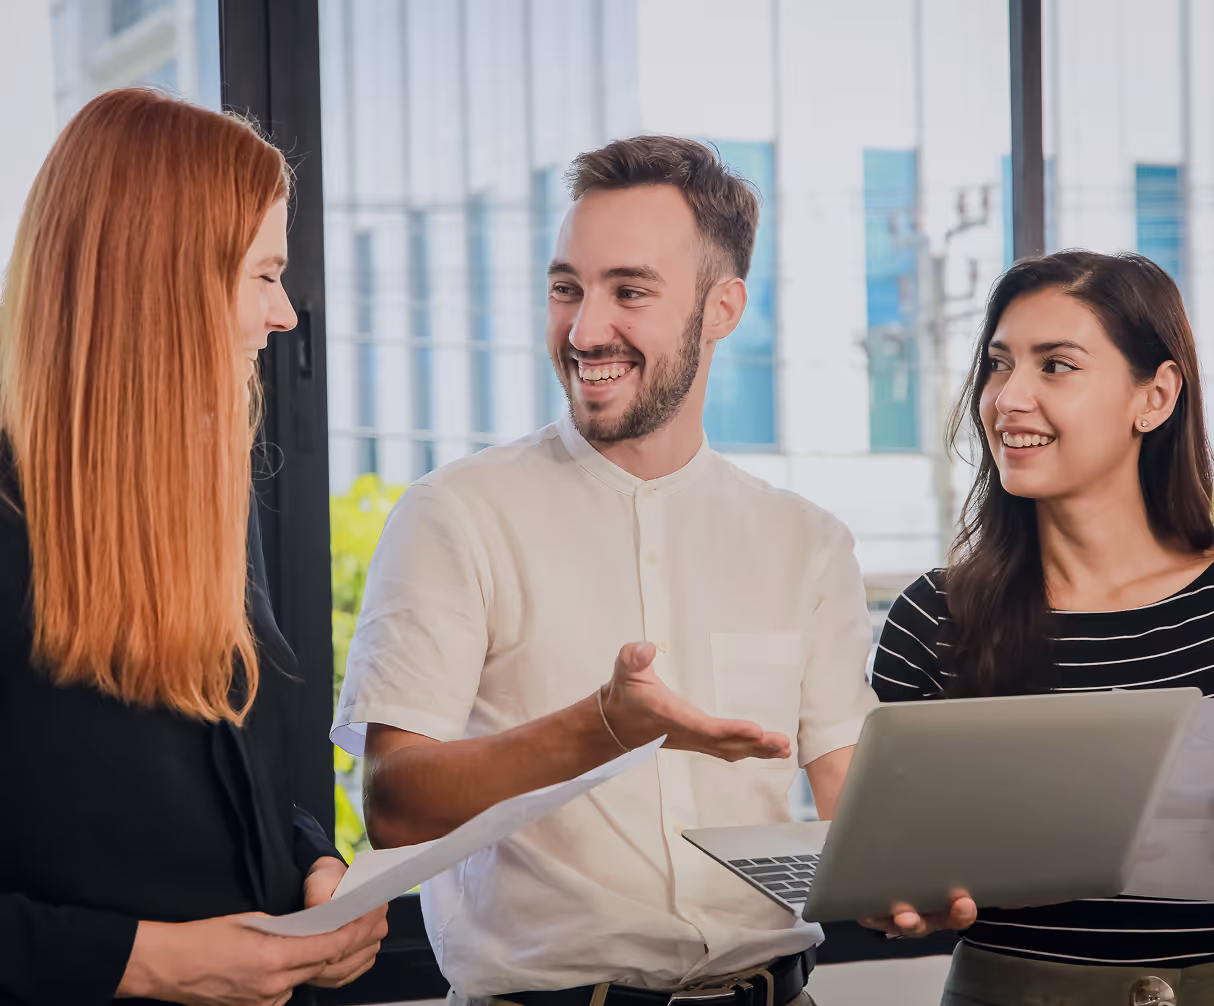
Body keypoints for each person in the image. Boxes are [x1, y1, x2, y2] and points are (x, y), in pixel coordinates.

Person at [334, 135, 970, 1006]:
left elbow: (850, 801)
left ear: (723, 307)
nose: (586, 329)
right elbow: (395, 802)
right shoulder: (454, 514)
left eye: (628, 291)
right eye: (567, 289)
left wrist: (917, 882)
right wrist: (603, 725)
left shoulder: (806, 541)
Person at [0, 89, 387, 1005]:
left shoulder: (203, 508)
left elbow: (224, 780)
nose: (286, 314)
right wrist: (148, 963)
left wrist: (315, 868)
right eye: (263, 275)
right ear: (160, 282)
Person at [869, 250, 1214, 1004]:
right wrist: (894, 895)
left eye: (1056, 366)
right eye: (999, 365)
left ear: (1153, 397)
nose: (1008, 398)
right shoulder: (935, 616)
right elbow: (887, 864)